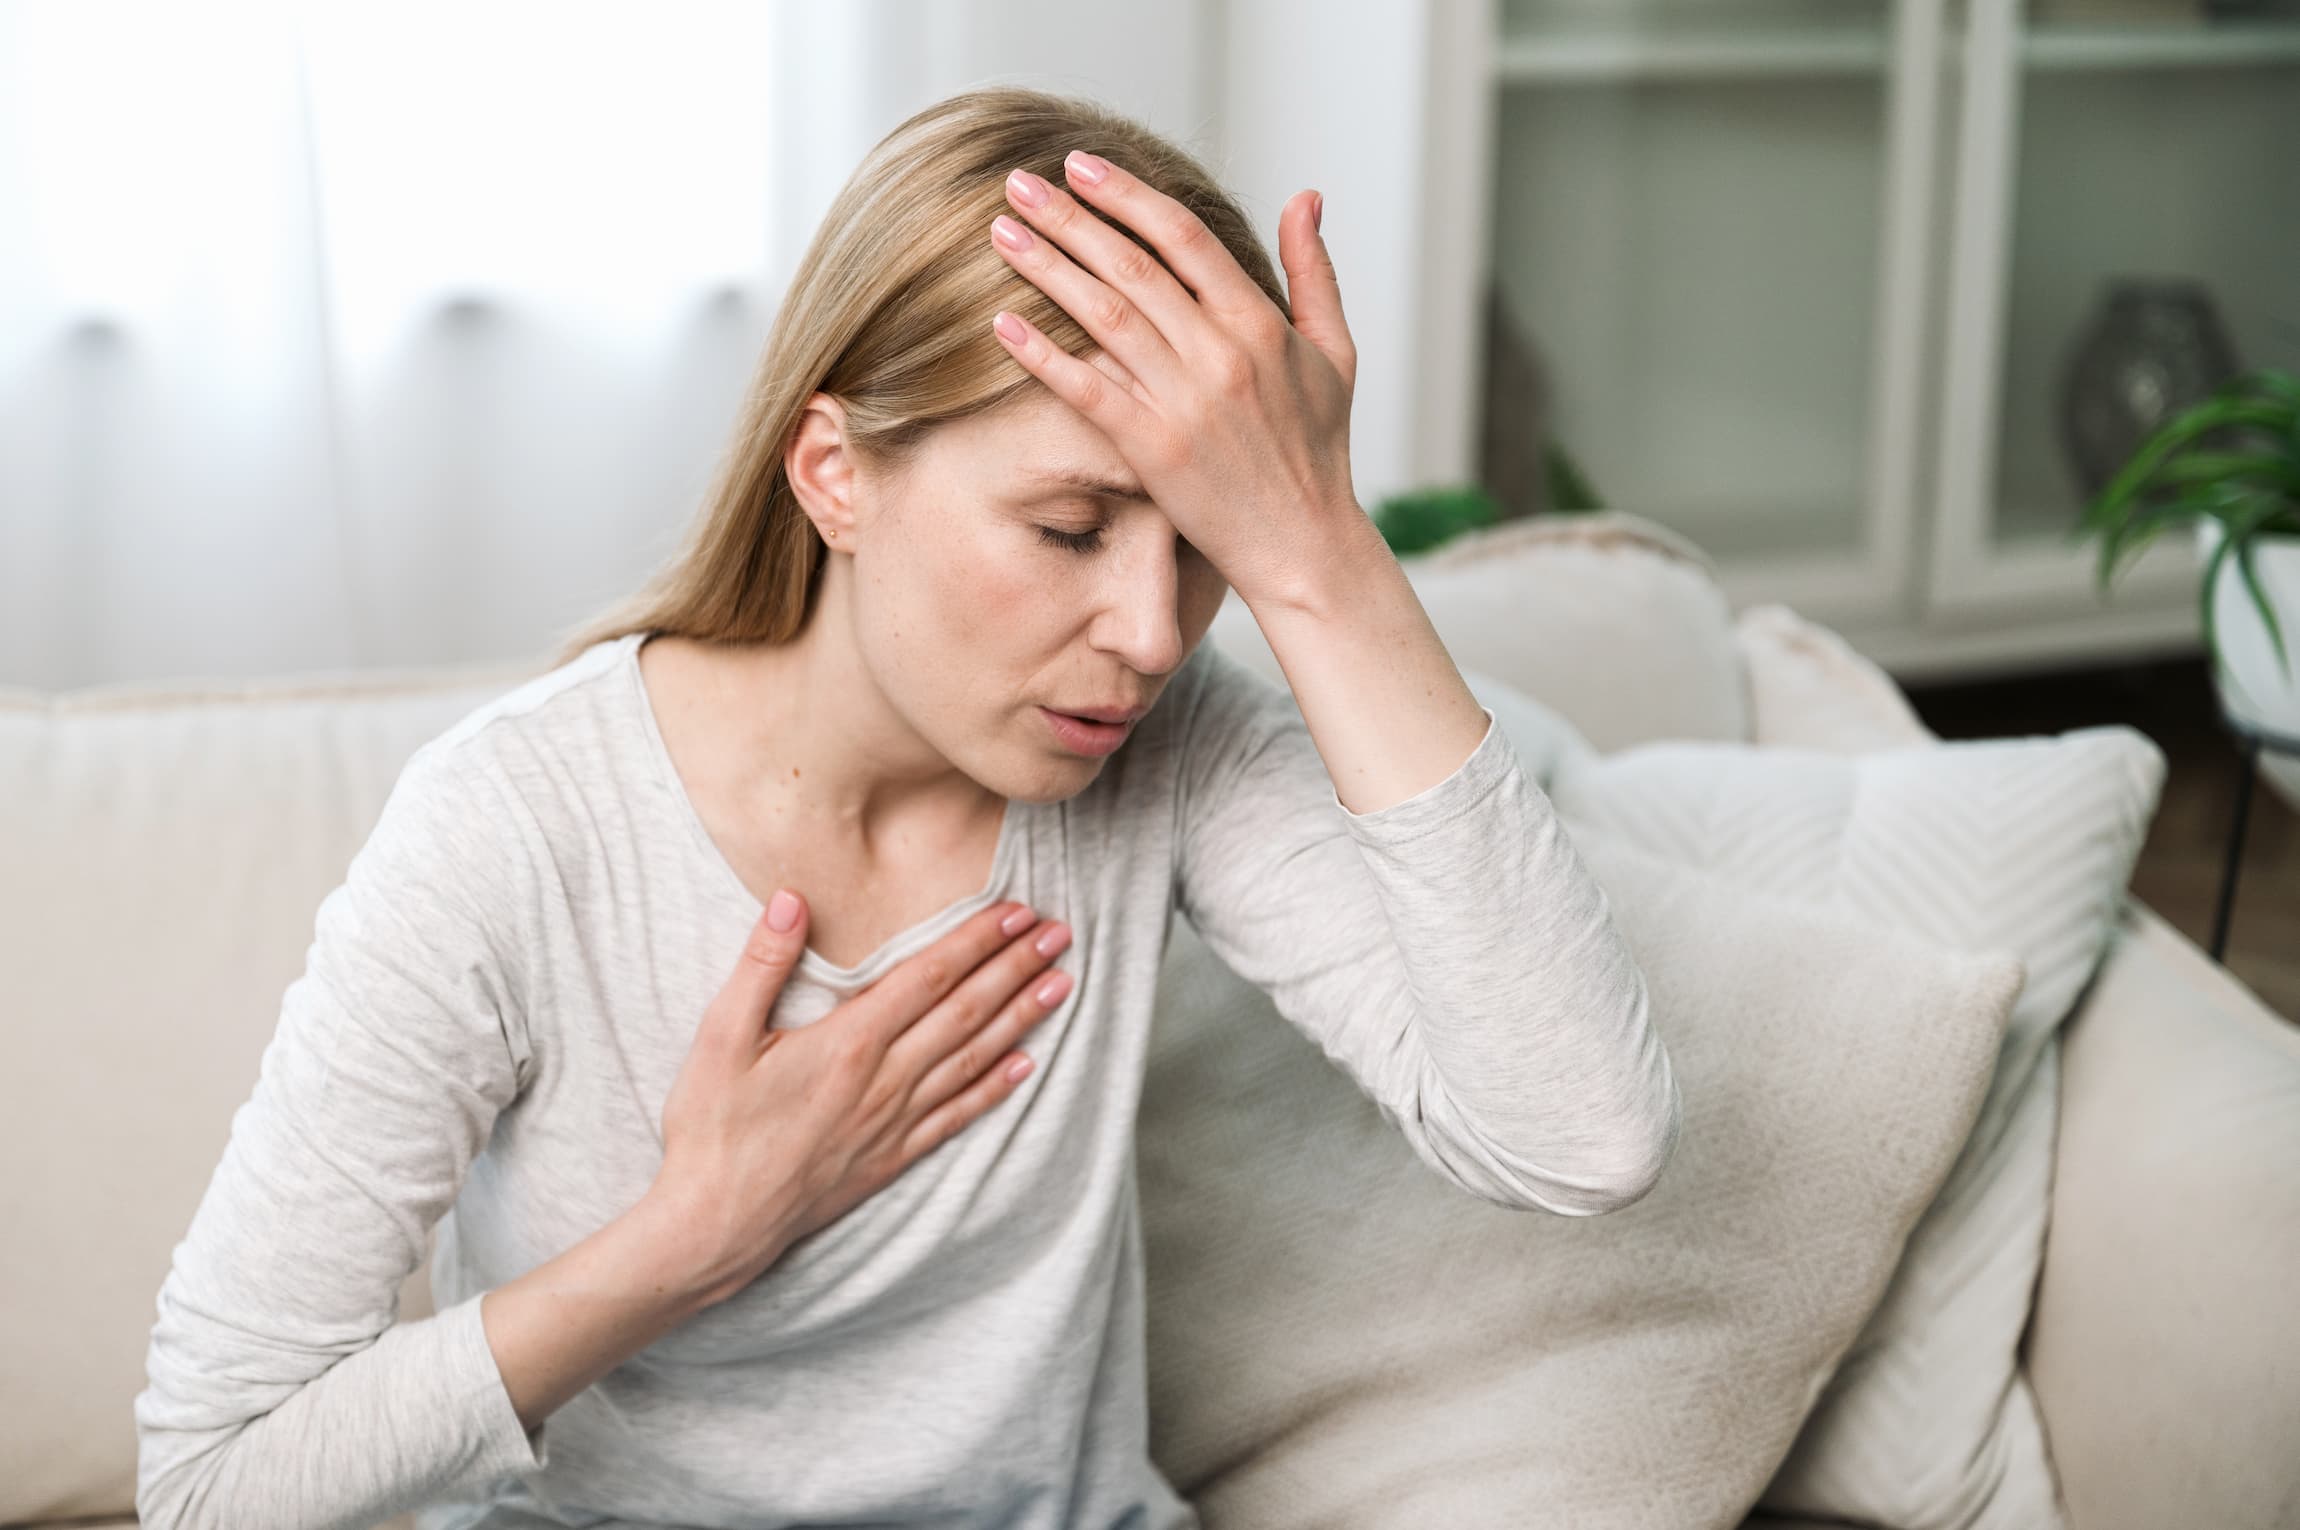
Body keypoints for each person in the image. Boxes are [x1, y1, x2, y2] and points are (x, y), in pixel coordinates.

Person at [132, 83, 1681, 1530]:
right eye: (1068, 527)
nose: (1152, 631)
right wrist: (692, 1239)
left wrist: (1318, 553)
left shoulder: (1176, 742)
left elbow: (1582, 1138)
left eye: (1206, 541)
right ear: (834, 472)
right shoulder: (517, 826)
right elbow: (209, 1474)